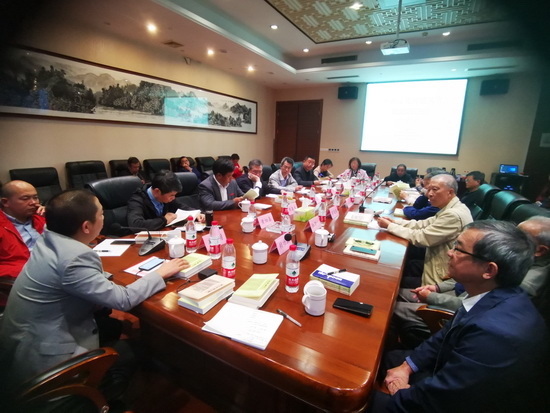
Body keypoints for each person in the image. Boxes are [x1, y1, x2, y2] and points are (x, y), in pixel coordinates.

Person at [0, 189, 190, 392]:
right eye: (101, 213)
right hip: (47, 361)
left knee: (113, 325)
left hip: (24, 340)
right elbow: (124, 300)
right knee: (140, 348)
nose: (104, 217)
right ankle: (109, 392)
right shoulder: (74, 258)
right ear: (86, 226)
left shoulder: (50, 237)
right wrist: (160, 273)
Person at [371, 220, 549, 412]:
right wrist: (407, 366)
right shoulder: (491, 294)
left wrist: (400, 393)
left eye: (458, 249)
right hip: (450, 371)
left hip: (460, 400)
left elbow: (441, 400)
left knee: (360, 401)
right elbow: (445, 335)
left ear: (489, 270)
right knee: (389, 359)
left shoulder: (496, 335)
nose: (450, 253)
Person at [392, 215, 550, 347]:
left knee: (391, 307)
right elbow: (470, 276)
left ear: (540, 250)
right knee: (394, 293)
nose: (511, 238)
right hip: (457, 296)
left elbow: (471, 306)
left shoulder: (524, 284)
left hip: (457, 314)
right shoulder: (513, 260)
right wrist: (438, 287)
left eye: (522, 236)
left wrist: (431, 297)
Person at [376, 173, 473, 287]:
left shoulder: (453, 215)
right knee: (402, 264)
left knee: (389, 280)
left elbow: (422, 238)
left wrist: (390, 227)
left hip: (440, 277)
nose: (429, 194)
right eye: (429, 189)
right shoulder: (451, 207)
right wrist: (395, 222)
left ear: (450, 192)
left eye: (435, 189)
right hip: (436, 261)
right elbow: (422, 224)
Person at [127, 170, 204, 231]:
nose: (173, 198)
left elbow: (180, 206)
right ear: (157, 191)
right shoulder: (137, 200)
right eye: (171, 195)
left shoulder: (166, 194)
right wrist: (164, 220)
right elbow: (135, 225)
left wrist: (196, 213)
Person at [0, 180, 46, 279]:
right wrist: (29, 270)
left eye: (35, 197)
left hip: (52, 269)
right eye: (25, 199)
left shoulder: (42, 218)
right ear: (5, 202)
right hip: (21, 278)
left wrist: (55, 218)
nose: (33, 203)